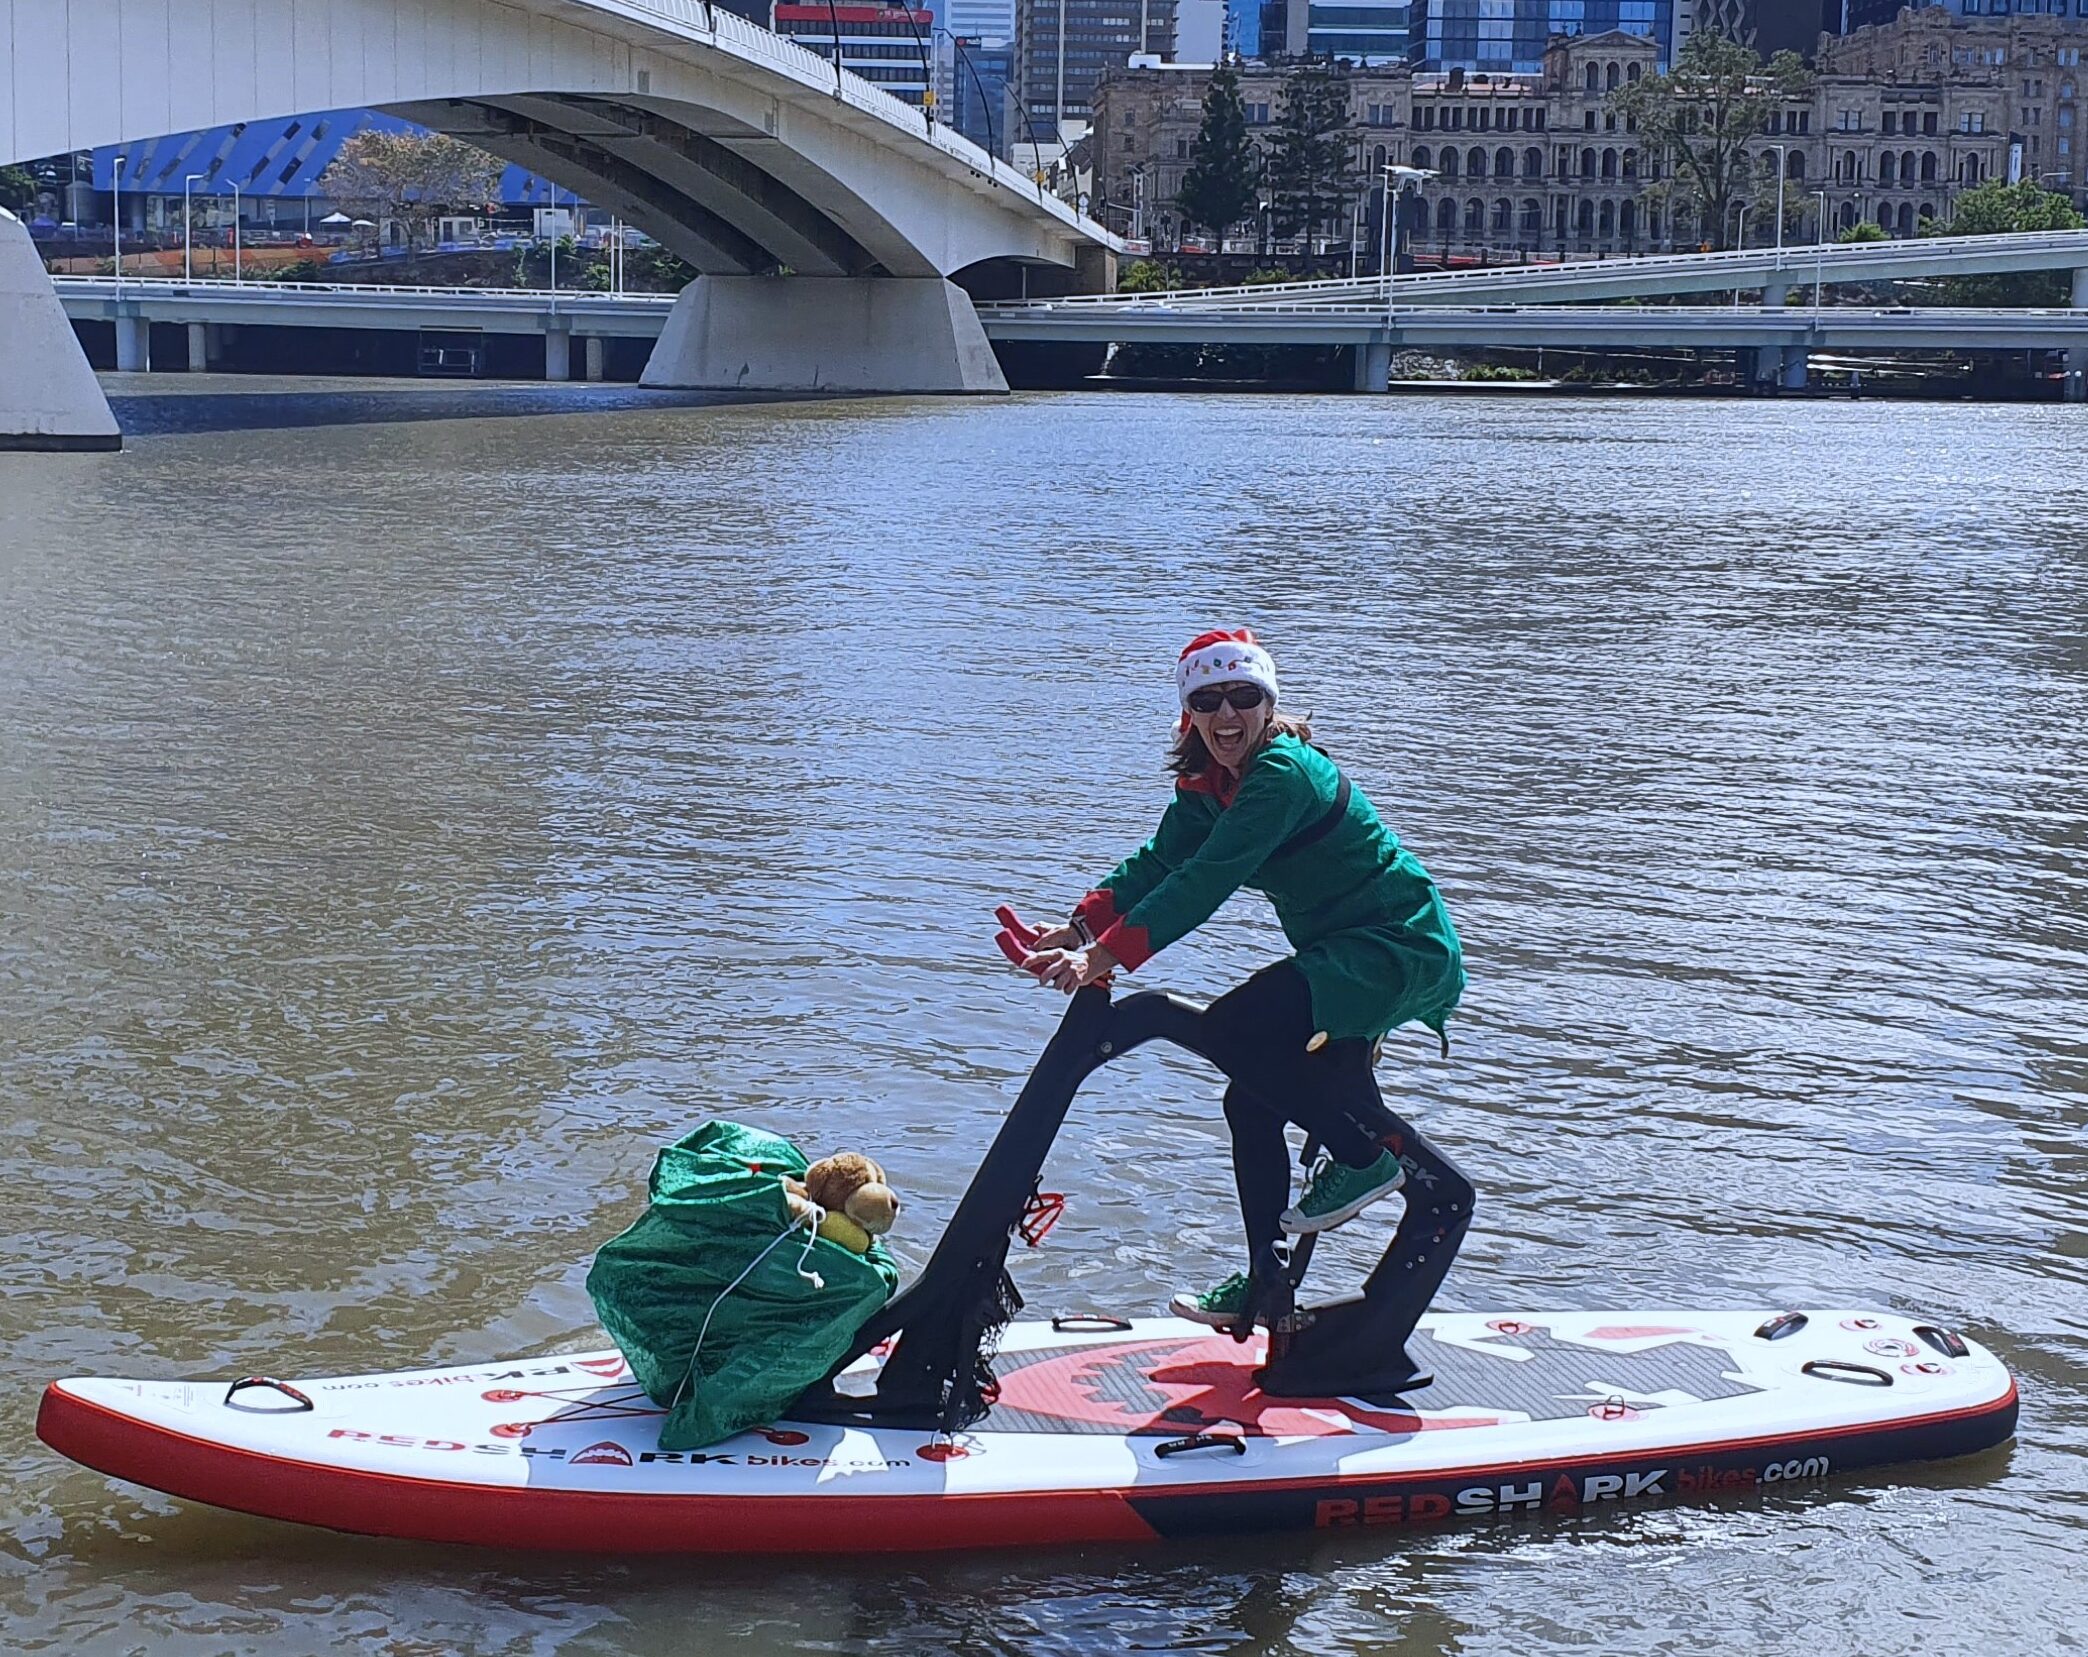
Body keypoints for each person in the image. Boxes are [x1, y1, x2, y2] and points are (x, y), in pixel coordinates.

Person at [1018, 628, 1469, 1332]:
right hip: (1341, 954)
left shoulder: (1281, 776)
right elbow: (1161, 861)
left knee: (1232, 1026)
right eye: (1208, 699)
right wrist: (1077, 930)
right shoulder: (1207, 784)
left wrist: (1103, 958)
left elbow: (1204, 881)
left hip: (1395, 949)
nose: (1227, 716)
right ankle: (1267, 1287)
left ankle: (1363, 1158)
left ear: (1268, 703)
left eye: (1244, 697)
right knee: (1252, 1101)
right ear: (1188, 711)